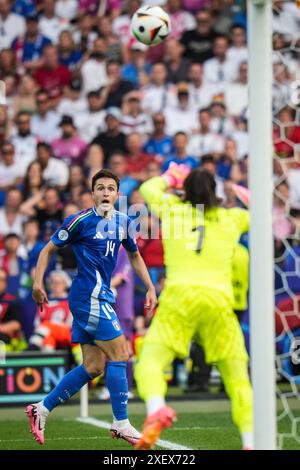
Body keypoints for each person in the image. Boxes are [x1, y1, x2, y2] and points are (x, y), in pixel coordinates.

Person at [26, 169, 157, 446]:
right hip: (89, 297)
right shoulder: (80, 221)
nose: (106, 192)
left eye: (111, 188)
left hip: (99, 297)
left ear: (117, 194)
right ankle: (121, 422)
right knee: (121, 351)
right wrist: (38, 283)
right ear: (93, 192)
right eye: (101, 188)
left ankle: (42, 408)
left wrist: (150, 286)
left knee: (94, 365)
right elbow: (47, 249)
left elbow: (134, 255)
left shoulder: (123, 222)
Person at [134, 164, 253, 450]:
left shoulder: (172, 209)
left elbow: (148, 188)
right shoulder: (231, 218)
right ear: (214, 192)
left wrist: (169, 177)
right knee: (238, 381)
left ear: (185, 191)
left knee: (149, 363)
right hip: (218, 301)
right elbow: (263, 210)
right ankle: (251, 442)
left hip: (178, 297)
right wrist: (239, 190)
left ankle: (156, 409)